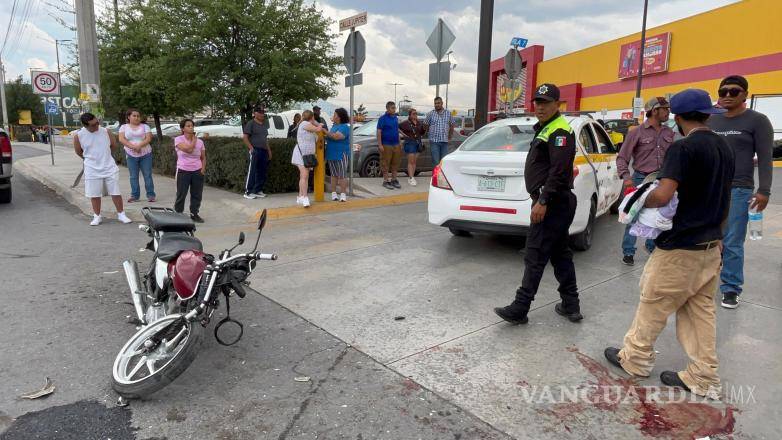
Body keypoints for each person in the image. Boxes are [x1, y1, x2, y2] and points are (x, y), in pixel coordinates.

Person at [604, 89, 734, 399]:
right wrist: (720, 239)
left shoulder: (682, 148)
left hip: (680, 247)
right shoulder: (724, 147)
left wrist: (639, 198)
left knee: (654, 301)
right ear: (707, 114)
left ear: (677, 116)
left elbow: (663, 195)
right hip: (709, 246)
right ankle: (704, 376)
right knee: (700, 312)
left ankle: (635, 359)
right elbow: (725, 199)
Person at [494, 84, 582, 325]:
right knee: (560, 254)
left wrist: (543, 200)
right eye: (538, 102)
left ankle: (520, 308)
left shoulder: (560, 130)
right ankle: (571, 304)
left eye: (546, 102)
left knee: (535, 254)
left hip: (553, 202)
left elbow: (559, 171)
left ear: (557, 104)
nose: (540, 107)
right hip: (554, 201)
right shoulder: (546, 128)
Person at [708, 75, 774, 309]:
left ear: (745, 94)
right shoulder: (711, 120)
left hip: (739, 189)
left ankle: (731, 287)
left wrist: (764, 190)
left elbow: (765, 158)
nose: (727, 95)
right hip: (710, 188)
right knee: (708, 237)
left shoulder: (758, 121)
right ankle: (707, 279)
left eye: (734, 91)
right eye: (723, 91)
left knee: (733, 240)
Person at [616, 97, 675, 266]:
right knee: (632, 216)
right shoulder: (636, 132)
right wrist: (627, 179)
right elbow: (622, 158)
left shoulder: (669, 132)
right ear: (654, 111)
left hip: (662, 180)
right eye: (665, 109)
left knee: (660, 217)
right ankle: (628, 251)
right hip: (640, 179)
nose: (668, 112)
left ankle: (652, 247)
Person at [73, 112, 132, 226]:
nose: (97, 126)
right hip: (91, 168)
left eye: (97, 122)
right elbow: (78, 151)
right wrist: (89, 159)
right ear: (85, 125)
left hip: (109, 166)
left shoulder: (106, 131)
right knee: (94, 193)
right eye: (93, 125)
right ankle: (97, 216)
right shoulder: (78, 136)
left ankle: (121, 214)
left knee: (115, 191)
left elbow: (113, 146)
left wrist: (105, 155)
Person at [118, 109, 156, 203]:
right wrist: (133, 147)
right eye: (134, 116)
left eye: (138, 116)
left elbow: (148, 138)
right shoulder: (124, 127)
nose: (136, 117)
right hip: (130, 154)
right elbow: (121, 139)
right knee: (133, 176)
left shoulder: (145, 126)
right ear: (129, 117)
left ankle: (151, 195)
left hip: (146, 154)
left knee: (147, 175)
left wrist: (139, 146)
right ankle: (135, 196)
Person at [173, 119, 206, 223]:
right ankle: (178, 214)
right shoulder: (178, 139)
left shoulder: (200, 142)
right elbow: (189, 150)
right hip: (183, 170)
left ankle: (194, 214)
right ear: (183, 129)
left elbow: (203, 157)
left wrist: (202, 169)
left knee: (197, 194)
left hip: (197, 170)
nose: (191, 127)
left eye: (192, 125)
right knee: (181, 194)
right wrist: (194, 140)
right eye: (188, 126)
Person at [292, 110, 326, 207]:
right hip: (301, 155)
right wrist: (319, 124)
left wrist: (315, 122)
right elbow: (318, 129)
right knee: (304, 175)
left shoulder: (309, 126)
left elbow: (316, 132)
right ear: (312, 118)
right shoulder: (304, 124)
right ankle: (305, 197)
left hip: (308, 156)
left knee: (303, 176)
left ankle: (300, 196)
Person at [242, 106, 271, 199]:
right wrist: (251, 148)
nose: (262, 114)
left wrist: (269, 151)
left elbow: (265, 139)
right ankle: (248, 192)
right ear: (255, 114)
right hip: (255, 150)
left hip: (264, 151)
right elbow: (245, 137)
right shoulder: (251, 123)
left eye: (263, 112)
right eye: (260, 113)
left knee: (262, 171)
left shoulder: (264, 125)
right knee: (252, 171)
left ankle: (257, 190)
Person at [325, 108, 351, 202]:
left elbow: (336, 137)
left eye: (335, 114)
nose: (333, 116)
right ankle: (334, 193)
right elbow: (329, 136)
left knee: (342, 175)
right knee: (333, 174)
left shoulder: (345, 127)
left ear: (339, 117)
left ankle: (343, 194)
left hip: (341, 153)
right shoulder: (334, 126)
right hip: (331, 153)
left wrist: (325, 131)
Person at [377, 101, 402, 190]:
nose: (394, 109)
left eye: (394, 108)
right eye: (392, 108)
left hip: (396, 144)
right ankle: (386, 181)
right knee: (385, 163)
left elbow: (396, 130)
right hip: (386, 144)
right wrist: (380, 144)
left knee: (395, 163)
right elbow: (379, 131)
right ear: (387, 108)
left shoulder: (395, 118)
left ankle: (394, 180)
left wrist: (399, 143)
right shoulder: (382, 119)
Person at [424, 97, 455, 167]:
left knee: (444, 162)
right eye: (435, 103)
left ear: (442, 103)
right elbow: (425, 124)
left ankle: (442, 174)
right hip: (434, 142)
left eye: (438, 103)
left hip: (445, 142)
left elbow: (452, 125)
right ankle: (436, 174)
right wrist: (429, 131)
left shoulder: (448, 113)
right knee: (436, 162)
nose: (437, 105)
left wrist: (449, 137)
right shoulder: (430, 114)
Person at [399, 108, 425, 186]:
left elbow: (422, 133)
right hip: (409, 143)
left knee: (414, 161)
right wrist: (403, 135)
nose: (415, 115)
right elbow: (397, 127)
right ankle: (411, 178)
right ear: (409, 115)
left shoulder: (419, 123)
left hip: (418, 143)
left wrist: (424, 129)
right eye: (413, 114)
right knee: (411, 161)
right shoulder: (405, 123)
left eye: (416, 113)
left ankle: (412, 177)